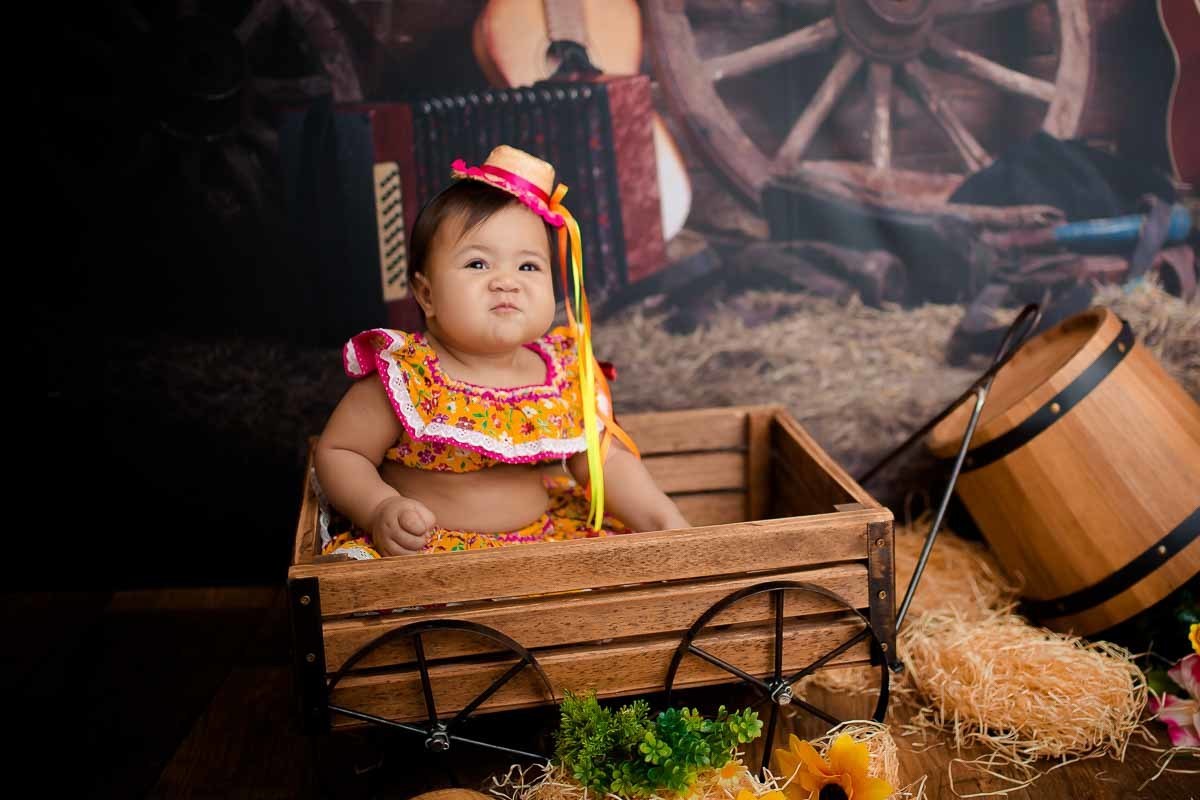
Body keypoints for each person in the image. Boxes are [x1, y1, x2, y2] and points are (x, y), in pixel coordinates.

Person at [314, 145, 690, 557]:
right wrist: (379, 508)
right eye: (478, 264)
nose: (506, 282)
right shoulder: (408, 376)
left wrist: (665, 521)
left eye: (528, 266)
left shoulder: (560, 374)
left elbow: (606, 463)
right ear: (426, 294)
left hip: (544, 544)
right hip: (435, 555)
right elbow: (340, 452)